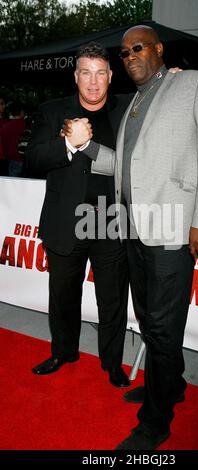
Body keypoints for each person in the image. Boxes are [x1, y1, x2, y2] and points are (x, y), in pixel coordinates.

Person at [88, 25, 198, 450]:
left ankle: (155, 421)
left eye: (137, 47)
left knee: (165, 328)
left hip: (173, 230)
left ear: (158, 49)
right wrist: (90, 150)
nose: (129, 55)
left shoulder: (193, 82)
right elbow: (128, 166)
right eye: (123, 52)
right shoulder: (134, 102)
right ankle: (172, 385)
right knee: (151, 321)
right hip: (134, 228)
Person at [25, 43, 132, 388]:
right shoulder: (53, 110)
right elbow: (33, 159)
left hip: (110, 222)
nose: (93, 81)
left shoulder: (128, 110)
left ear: (111, 76)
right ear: (76, 76)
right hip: (65, 222)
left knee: (112, 299)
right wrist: (69, 144)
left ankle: (112, 363)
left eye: (100, 73)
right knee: (63, 296)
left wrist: (169, 79)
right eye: (85, 72)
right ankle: (63, 352)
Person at [1, 101, 25, 177]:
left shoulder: (5, 127)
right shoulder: (26, 125)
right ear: (21, 112)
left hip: (12, 160)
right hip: (25, 160)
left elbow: (4, 144)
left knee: (13, 185)